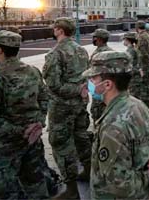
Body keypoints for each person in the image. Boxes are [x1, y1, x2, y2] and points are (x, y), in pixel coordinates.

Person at [84, 51, 149, 199]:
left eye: (93, 78)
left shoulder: (113, 126)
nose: (89, 84)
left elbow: (120, 185)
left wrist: (147, 178)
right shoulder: (137, 104)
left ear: (107, 84)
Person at [0, 30, 50, 199]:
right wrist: (38, 123)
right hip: (33, 140)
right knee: (36, 184)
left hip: (5, 146)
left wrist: (19, 131)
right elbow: (45, 98)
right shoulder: (33, 71)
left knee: (1, 190)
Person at [42, 17, 91, 199]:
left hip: (62, 107)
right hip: (80, 104)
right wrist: (81, 90)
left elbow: (53, 85)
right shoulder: (82, 50)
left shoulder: (55, 53)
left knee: (61, 145)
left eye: (55, 28)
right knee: (81, 137)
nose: (53, 30)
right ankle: (88, 170)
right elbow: (85, 76)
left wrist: (77, 89)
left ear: (60, 30)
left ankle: (71, 190)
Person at [89, 28, 114, 122]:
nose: (93, 40)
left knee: (97, 113)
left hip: (99, 87)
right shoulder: (112, 51)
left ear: (98, 39)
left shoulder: (97, 54)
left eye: (94, 38)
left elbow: (92, 71)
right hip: (110, 87)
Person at [135, 20, 149, 106]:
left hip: (145, 64)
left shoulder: (141, 37)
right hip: (148, 62)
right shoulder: (147, 35)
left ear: (137, 27)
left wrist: (141, 67)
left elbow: (143, 52)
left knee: (144, 83)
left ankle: (145, 101)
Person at [123, 32, 143, 99]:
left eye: (124, 39)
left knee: (133, 97)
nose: (123, 41)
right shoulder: (133, 49)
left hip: (134, 78)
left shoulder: (130, 50)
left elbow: (128, 65)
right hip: (136, 76)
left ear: (128, 40)